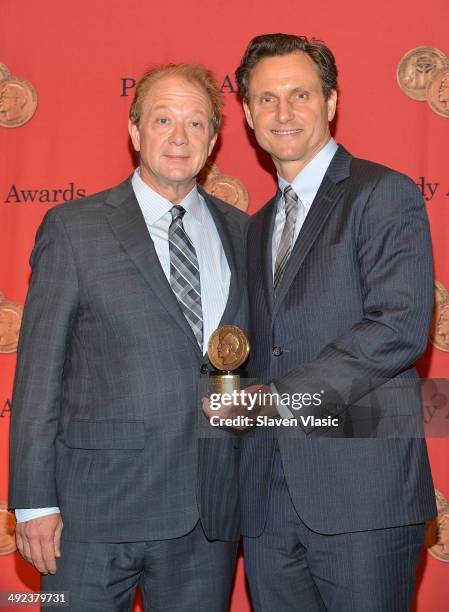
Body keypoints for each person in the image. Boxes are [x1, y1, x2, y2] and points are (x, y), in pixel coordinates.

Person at [9, 63, 248, 611]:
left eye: (195, 124)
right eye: (163, 119)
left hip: (206, 517)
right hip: (91, 514)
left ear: (213, 141)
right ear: (135, 131)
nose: (178, 137)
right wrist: (32, 503)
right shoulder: (75, 228)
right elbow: (38, 375)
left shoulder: (242, 231)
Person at [234, 33, 436, 611]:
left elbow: (398, 326)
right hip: (269, 503)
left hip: (362, 498)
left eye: (299, 95)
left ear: (331, 101)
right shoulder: (257, 225)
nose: (283, 113)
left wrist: (276, 400)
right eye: (266, 99)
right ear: (247, 114)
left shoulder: (383, 193)